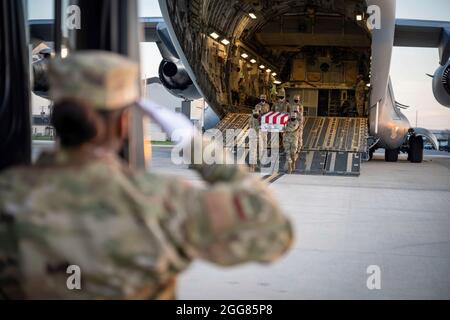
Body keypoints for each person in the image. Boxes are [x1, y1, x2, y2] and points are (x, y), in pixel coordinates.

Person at [0, 51, 293, 299]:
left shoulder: (8, 194)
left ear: (57, 114)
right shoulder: (161, 202)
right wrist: (195, 144)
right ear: (125, 122)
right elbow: (273, 230)